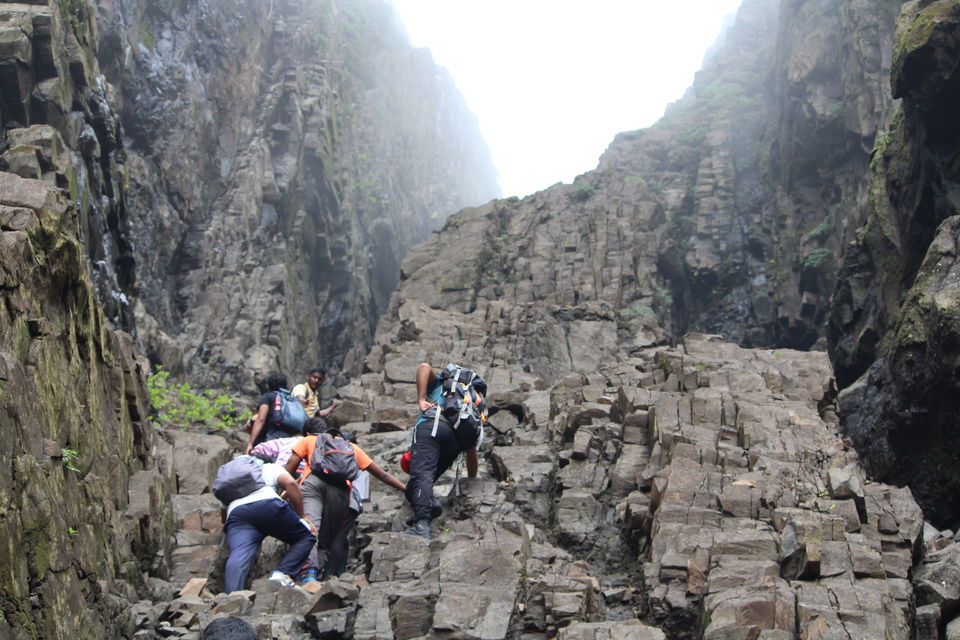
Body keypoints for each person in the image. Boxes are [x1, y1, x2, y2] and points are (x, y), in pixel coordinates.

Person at [284, 430, 406, 581]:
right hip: (340, 491)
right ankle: (324, 574)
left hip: (312, 484)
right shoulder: (352, 448)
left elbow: (291, 464)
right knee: (328, 537)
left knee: (310, 526)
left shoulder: (310, 440)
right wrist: (406, 490)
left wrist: (281, 489)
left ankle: (309, 572)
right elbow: (382, 474)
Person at [403, 363, 482, 539]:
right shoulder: (470, 405)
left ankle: (422, 525)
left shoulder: (442, 386)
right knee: (414, 487)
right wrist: (472, 481)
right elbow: (471, 453)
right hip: (455, 442)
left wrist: (421, 399)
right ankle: (430, 505)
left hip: (432, 425)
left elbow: (423, 366)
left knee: (422, 475)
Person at [217, 455, 317, 592]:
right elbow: (291, 484)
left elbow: (224, 515)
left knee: (239, 555)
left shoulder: (231, 483)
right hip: (267, 504)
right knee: (306, 535)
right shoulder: (269, 468)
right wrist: (301, 517)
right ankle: (282, 573)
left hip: (237, 514)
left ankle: (232, 596)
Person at [249, 417, 328, 474]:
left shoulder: (290, 441)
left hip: (284, 472)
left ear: (307, 433)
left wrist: (271, 463)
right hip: (312, 477)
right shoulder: (328, 446)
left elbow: (258, 449)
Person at [245, 372, 300, 453]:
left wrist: (250, 443)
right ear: (285, 386)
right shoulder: (290, 400)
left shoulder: (268, 397)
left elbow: (261, 419)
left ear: (269, 386)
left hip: (270, 440)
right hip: (289, 441)